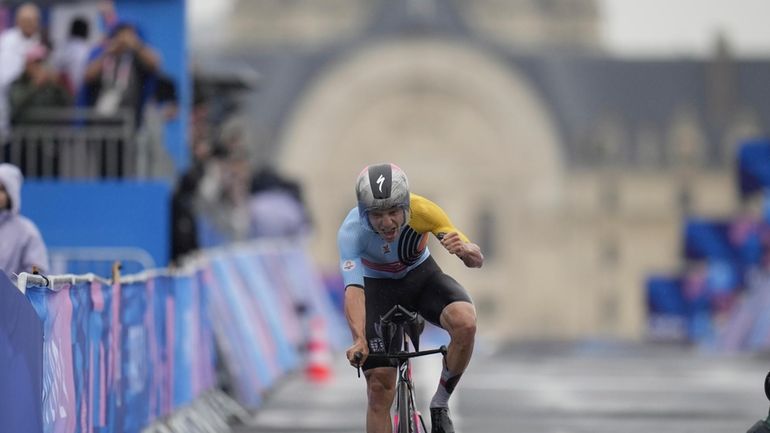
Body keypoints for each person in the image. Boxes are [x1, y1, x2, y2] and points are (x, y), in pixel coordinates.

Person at [338, 163, 483, 433]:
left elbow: (475, 259)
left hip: (420, 278)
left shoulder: (423, 210)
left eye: (394, 211)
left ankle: (440, 403)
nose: (387, 222)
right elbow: (354, 290)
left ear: (406, 206)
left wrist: (465, 251)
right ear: (363, 213)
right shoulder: (351, 231)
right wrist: (359, 338)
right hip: (376, 288)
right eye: (377, 214)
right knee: (379, 388)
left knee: (465, 322)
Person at [0, 3, 42, 141]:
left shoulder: (39, 40)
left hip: (30, 115)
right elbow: (6, 76)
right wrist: (28, 69)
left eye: (34, 20)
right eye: (27, 21)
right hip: (8, 106)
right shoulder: (7, 41)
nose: (31, 24)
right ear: (18, 22)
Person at [0, 163, 48, 277]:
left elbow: (37, 268)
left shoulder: (26, 230)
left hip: (11, 294)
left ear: (11, 194)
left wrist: (32, 276)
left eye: (1, 189)